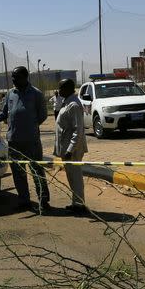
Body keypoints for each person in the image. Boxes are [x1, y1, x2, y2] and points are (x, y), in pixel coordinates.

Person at [0, 66, 50, 212]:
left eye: (16, 77)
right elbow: (3, 114)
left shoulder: (36, 94)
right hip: (14, 141)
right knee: (18, 173)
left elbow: (42, 115)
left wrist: (29, 126)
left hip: (31, 141)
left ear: (25, 77)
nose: (13, 80)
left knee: (37, 171)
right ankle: (24, 201)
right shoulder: (10, 94)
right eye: (12, 77)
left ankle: (43, 201)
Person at [53, 79, 88, 213]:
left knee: (76, 177)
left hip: (72, 149)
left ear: (67, 88)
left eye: (61, 88)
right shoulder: (66, 102)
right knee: (71, 177)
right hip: (66, 147)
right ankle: (76, 202)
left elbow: (78, 130)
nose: (59, 90)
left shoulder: (74, 104)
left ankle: (79, 204)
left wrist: (70, 149)